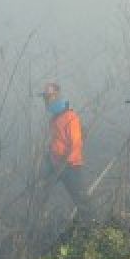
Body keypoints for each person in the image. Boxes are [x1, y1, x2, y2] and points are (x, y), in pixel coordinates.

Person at [40, 82, 94, 221]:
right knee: (40, 191)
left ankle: (92, 227)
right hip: (56, 164)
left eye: (48, 97)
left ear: (57, 96)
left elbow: (75, 143)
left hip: (70, 166)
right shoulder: (54, 119)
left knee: (82, 201)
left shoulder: (70, 117)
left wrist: (66, 162)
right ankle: (40, 220)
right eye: (45, 97)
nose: (45, 100)